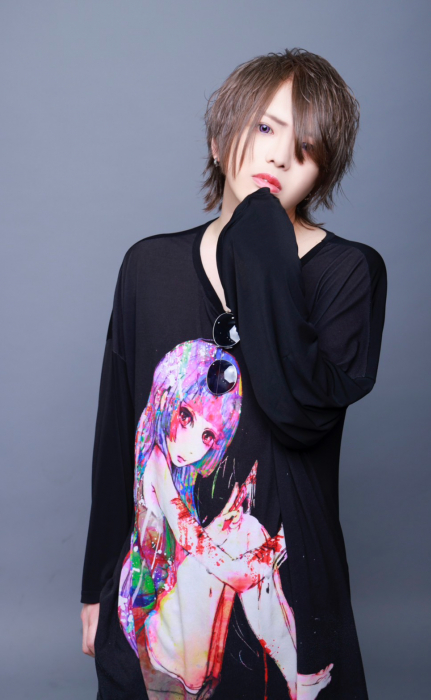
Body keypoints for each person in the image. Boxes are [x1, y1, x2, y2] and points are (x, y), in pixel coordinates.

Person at [80, 48, 388, 700]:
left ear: (321, 172)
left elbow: (297, 410)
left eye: (306, 148)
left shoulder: (349, 273)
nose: (279, 156)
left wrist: (259, 237)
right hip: (162, 613)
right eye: (266, 127)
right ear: (220, 140)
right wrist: (95, 584)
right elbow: (121, 437)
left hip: (293, 604)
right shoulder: (148, 269)